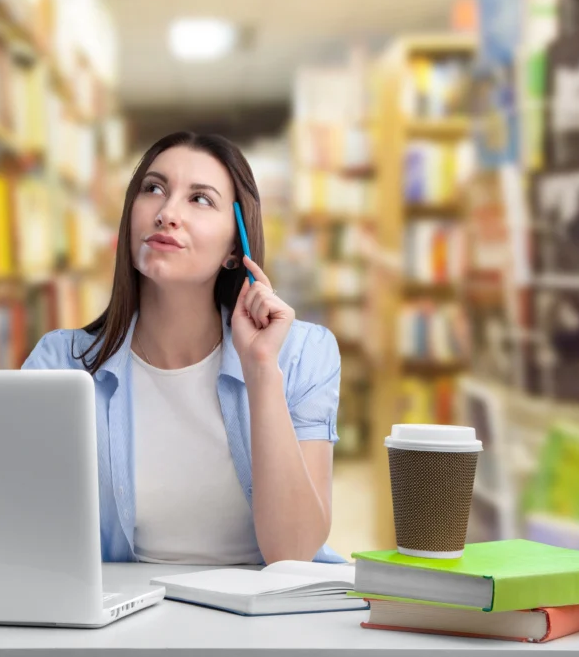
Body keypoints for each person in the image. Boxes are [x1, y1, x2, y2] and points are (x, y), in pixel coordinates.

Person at [22, 132, 345, 565]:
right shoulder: (61, 363)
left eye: (201, 200)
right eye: (153, 189)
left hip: (268, 622)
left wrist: (263, 369)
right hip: (124, 622)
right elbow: (19, 529)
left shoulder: (304, 353)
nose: (167, 213)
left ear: (236, 246)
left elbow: (294, 553)